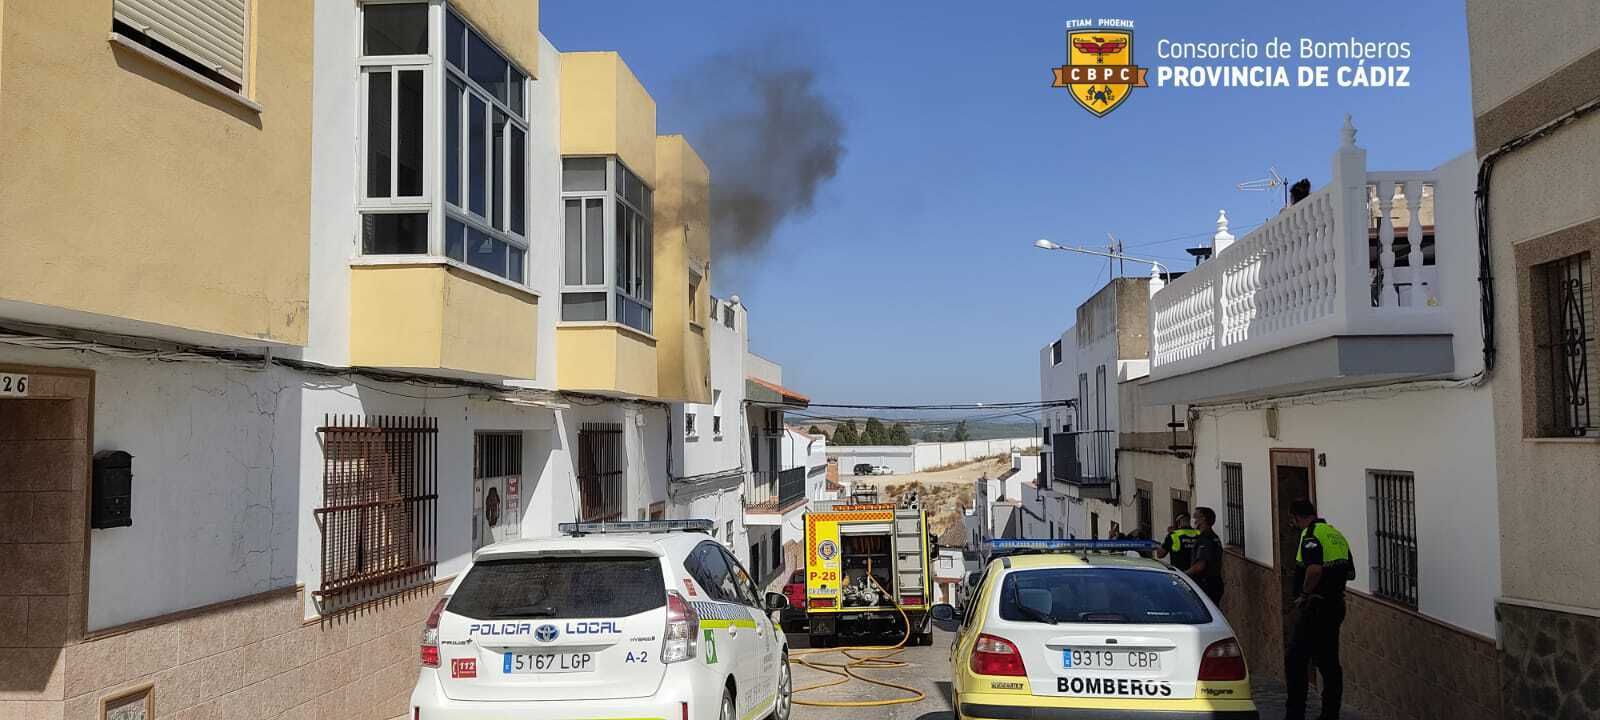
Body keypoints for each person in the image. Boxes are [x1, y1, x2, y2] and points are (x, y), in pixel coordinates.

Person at [1285, 500, 1354, 720]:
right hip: (1335, 604)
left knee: (1296, 661)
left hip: (1316, 606)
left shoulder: (1311, 535)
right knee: (1328, 663)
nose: (1292, 523)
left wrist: (1304, 595)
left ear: (1296, 516)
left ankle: (1295, 714)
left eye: (1292, 519)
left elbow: (1313, 570)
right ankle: (1330, 714)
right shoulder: (1336, 535)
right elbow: (1351, 573)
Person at [1186, 507, 1224, 604]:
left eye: (1195, 516)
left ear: (1203, 519)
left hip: (1205, 584)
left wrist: (1183, 575)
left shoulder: (1205, 539)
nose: (1193, 519)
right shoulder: (1214, 537)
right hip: (1214, 583)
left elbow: (1200, 566)